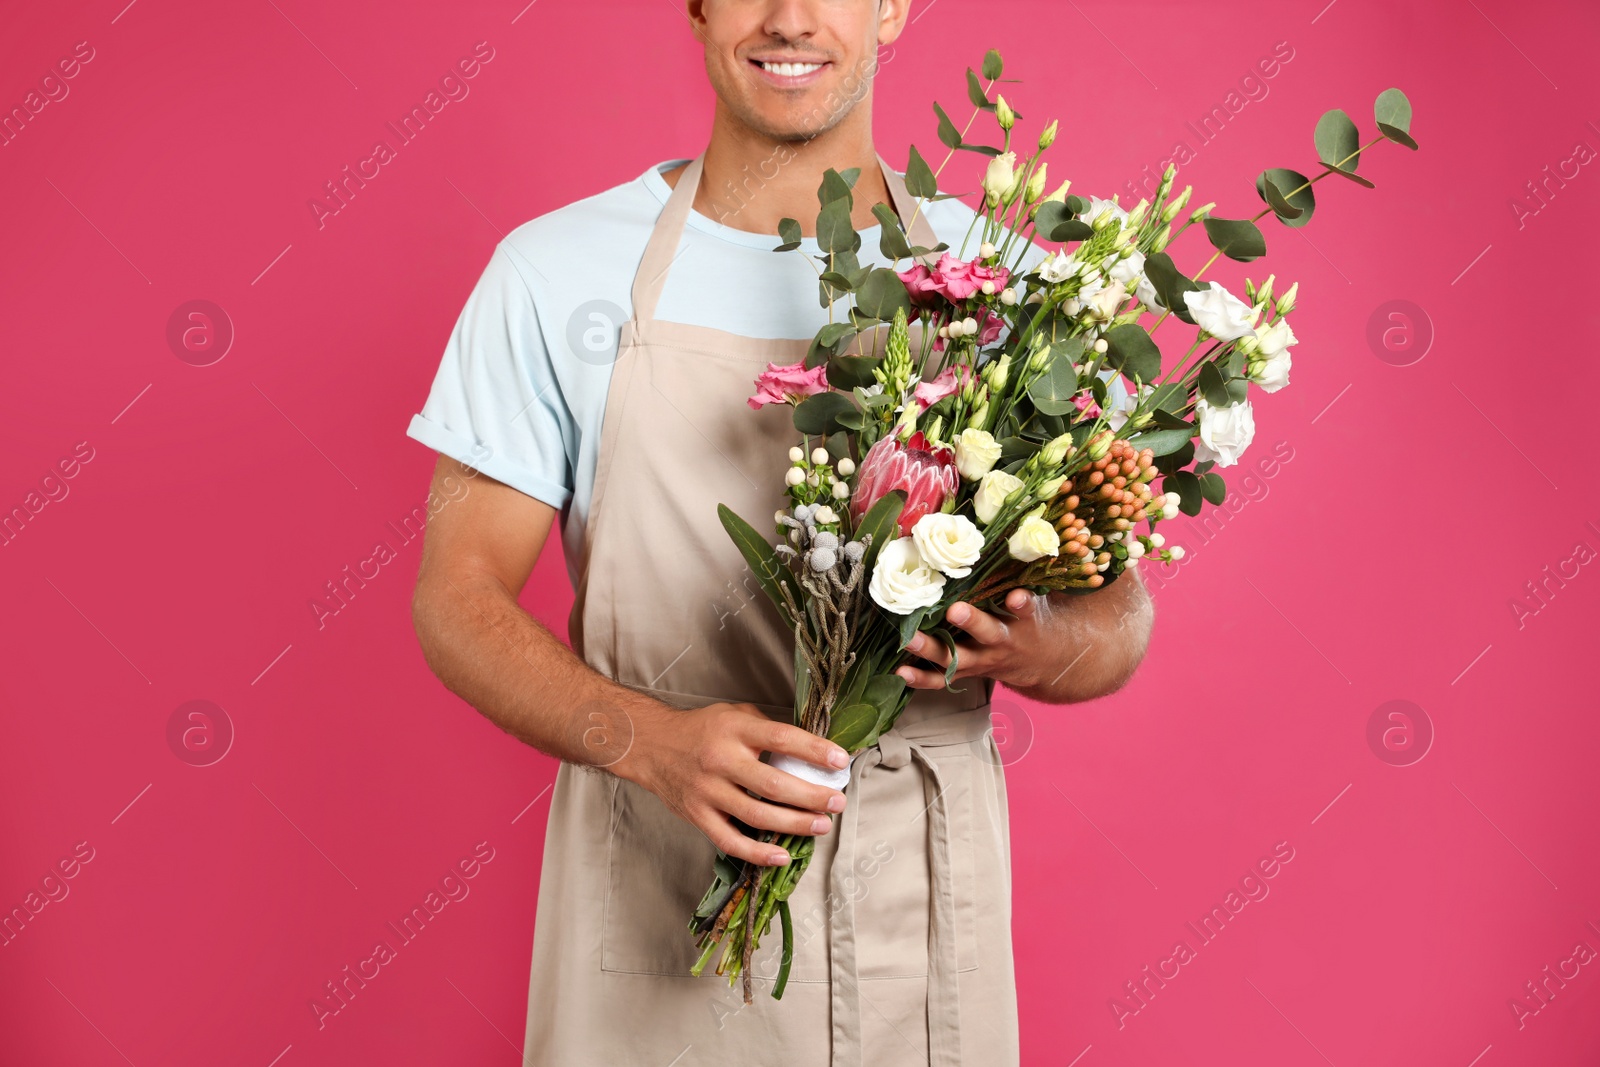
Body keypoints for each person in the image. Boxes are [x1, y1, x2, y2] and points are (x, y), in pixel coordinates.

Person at [406, 1, 1154, 1063]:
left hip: (920, 925)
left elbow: (1119, 616)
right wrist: (652, 742)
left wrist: (1040, 643)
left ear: (893, 6)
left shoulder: (1013, 293)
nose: (788, 18)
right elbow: (457, 598)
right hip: (660, 897)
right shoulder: (554, 276)